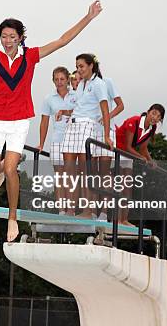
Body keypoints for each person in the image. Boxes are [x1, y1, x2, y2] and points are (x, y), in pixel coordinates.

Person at [0, 1, 103, 241]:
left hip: (19, 121)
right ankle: (2, 166)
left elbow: (62, 40)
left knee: (11, 169)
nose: (7, 40)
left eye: (12, 36)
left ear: (20, 37)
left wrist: (88, 18)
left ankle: (12, 218)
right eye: (3, 36)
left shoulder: (30, 56)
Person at [57, 53, 112, 219]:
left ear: (90, 66)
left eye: (81, 66)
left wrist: (107, 136)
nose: (78, 69)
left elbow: (105, 110)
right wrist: (64, 112)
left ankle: (88, 211)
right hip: (72, 126)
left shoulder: (99, 84)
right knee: (68, 170)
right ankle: (70, 210)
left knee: (85, 171)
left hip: (88, 126)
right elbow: (78, 107)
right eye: (77, 66)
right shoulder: (81, 84)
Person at [114, 104, 165, 225]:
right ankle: (116, 219)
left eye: (158, 116)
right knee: (118, 185)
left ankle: (124, 219)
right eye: (153, 113)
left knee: (127, 188)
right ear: (148, 112)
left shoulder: (152, 128)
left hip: (127, 154)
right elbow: (127, 145)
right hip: (116, 149)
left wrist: (151, 160)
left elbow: (143, 148)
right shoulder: (134, 121)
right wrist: (142, 158)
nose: (155, 117)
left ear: (160, 120)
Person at [37, 67, 74, 214]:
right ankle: (61, 210)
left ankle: (71, 209)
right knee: (59, 175)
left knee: (71, 176)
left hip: (73, 140)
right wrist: (41, 143)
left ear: (68, 80)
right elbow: (44, 121)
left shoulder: (76, 94)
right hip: (57, 140)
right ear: (53, 80)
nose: (59, 82)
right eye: (56, 79)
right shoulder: (49, 98)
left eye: (62, 79)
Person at [92, 75, 124, 221]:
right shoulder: (83, 85)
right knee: (92, 172)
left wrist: (107, 117)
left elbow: (120, 105)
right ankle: (92, 211)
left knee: (105, 173)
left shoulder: (107, 82)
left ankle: (104, 212)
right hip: (89, 132)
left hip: (106, 132)